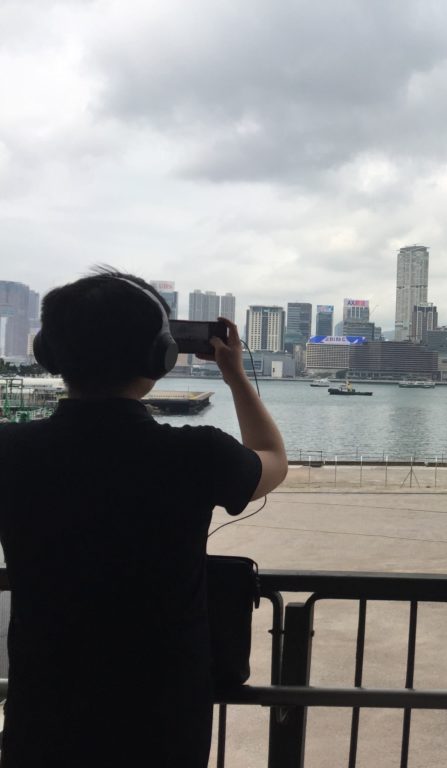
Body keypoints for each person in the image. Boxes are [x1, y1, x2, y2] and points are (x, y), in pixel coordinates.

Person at [0, 268, 288, 767]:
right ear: (162, 356)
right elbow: (271, 458)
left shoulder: (10, 450)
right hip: (163, 718)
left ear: (47, 351)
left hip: (43, 711)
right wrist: (236, 374)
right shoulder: (196, 454)